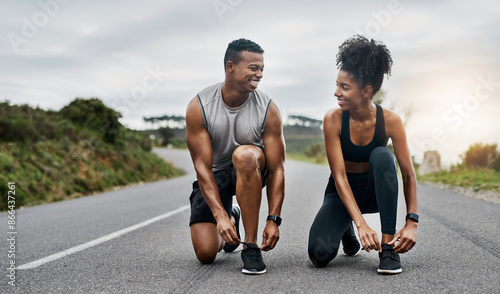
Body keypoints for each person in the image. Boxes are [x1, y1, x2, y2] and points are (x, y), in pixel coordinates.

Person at [308, 35, 418, 274]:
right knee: (319, 255)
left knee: (382, 155)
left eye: (344, 87)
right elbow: (339, 177)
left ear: (366, 91)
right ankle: (346, 225)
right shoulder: (333, 120)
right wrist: (361, 224)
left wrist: (412, 222)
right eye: (336, 85)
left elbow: (408, 175)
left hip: (374, 190)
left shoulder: (390, 121)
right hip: (342, 190)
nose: (336, 92)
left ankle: (387, 248)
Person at [185, 38, 285, 275]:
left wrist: (274, 219)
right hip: (215, 175)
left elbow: (278, 168)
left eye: (262, 69)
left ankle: (250, 246)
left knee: (246, 155)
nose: (259, 74)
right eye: (253, 68)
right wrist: (220, 216)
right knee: (206, 254)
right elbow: (202, 168)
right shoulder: (199, 106)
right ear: (230, 67)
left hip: (252, 170)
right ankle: (232, 215)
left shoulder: (268, 109)